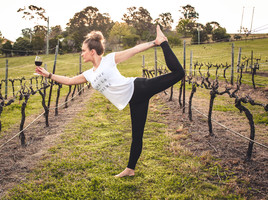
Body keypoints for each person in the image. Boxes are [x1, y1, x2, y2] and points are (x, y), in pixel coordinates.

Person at [35, 25, 185, 177]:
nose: (82, 54)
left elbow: (134, 50)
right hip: (134, 101)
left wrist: (155, 43)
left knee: (179, 73)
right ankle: (130, 169)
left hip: (139, 88)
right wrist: (48, 75)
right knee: (137, 136)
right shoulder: (89, 74)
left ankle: (163, 42)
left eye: (83, 51)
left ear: (92, 52)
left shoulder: (109, 60)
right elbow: (68, 81)